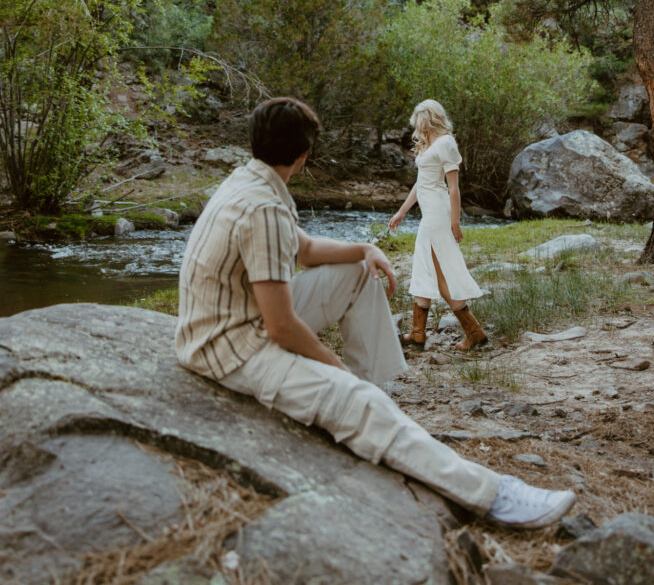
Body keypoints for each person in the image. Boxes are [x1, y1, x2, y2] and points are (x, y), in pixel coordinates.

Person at [175, 96, 576, 528]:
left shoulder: (249, 180)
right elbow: (281, 327)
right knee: (351, 392)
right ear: (305, 156)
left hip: (237, 316)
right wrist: (335, 371)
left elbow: (306, 251)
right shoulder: (264, 209)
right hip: (227, 344)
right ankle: (492, 495)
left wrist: (365, 248)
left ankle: (374, 400)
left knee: (360, 271)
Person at [389, 99, 487, 352]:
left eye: (420, 122)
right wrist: (401, 212)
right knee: (430, 269)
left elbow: (453, 188)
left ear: (429, 119)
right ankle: (423, 332)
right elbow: (420, 184)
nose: (417, 128)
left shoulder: (445, 143)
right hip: (429, 213)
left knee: (435, 270)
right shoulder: (428, 145)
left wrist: (455, 223)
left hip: (438, 214)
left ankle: (465, 332)